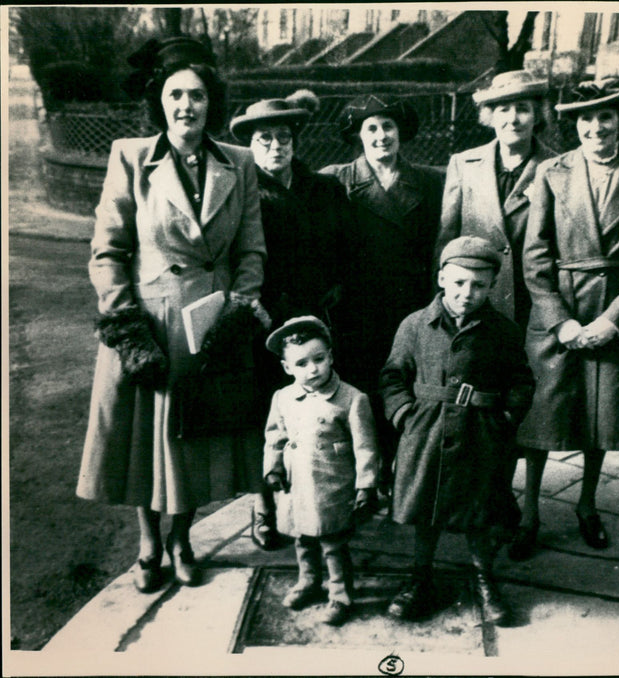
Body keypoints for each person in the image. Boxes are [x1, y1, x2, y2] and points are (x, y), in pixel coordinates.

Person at [77, 37, 269, 592]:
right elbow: (107, 250)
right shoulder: (131, 157)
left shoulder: (240, 162)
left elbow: (251, 250)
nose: (187, 106)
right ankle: (149, 542)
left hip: (212, 326)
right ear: (159, 102)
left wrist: (238, 307)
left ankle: (183, 538)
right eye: (176, 94)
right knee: (146, 442)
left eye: (199, 96)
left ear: (213, 104)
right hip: (152, 323)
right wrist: (126, 328)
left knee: (195, 443)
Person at [521, 78, 619, 552]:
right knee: (542, 417)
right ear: (575, 125)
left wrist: (613, 320)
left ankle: (587, 503)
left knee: (601, 416)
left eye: (605, 116)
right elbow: (535, 256)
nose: (595, 127)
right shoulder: (550, 171)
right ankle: (529, 511)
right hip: (558, 311)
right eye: (585, 118)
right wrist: (559, 320)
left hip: (612, 312)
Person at [379, 236, 534, 626]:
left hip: (482, 434)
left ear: (491, 287)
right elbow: (393, 377)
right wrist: (404, 416)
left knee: (481, 512)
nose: (468, 293)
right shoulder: (415, 325)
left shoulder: (503, 331)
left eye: (479, 285)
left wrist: (508, 418)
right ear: (442, 279)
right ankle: (419, 577)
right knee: (425, 512)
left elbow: (521, 380)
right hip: (426, 432)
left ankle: (484, 579)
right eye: (460, 282)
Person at [436, 70, 554, 561]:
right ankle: (492, 500)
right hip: (478, 304)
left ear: (538, 114)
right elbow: (446, 239)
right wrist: (444, 305)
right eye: (503, 108)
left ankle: (530, 512)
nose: (513, 117)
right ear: (488, 115)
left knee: (534, 410)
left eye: (523, 107)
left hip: (534, 306)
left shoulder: (558, 165)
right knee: (485, 409)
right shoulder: (464, 163)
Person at [229, 90, 352, 551]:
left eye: (283, 137)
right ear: (251, 145)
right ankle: (263, 508)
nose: (276, 147)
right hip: (265, 322)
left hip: (317, 317)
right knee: (267, 414)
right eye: (264, 139)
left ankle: (323, 500)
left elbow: (345, 248)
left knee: (319, 409)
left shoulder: (324, 189)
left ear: (295, 141)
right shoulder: (241, 194)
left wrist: (336, 287)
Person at [320, 95, 444, 494]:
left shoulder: (429, 180)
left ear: (400, 132)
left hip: (410, 306)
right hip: (356, 310)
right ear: (358, 135)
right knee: (361, 390)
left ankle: (397, 474)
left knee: (406, 387)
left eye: (388, 126)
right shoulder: (335, 180)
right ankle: (362, 479)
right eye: (371, 128)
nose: (381, 136)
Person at [263, 316, 380, 626]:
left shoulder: (352, 399)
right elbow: (274, 437)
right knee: (302, 539)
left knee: (333, 543)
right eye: (301, 363)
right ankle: (309, 582)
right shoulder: (283, 398)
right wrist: (272, 469)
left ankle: (340, 594)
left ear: (331, 356)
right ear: (287, 368)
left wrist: (366, 485)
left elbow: (365, 447)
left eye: (319, 359)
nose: (312, 369)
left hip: (331, 485)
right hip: (296, 485)